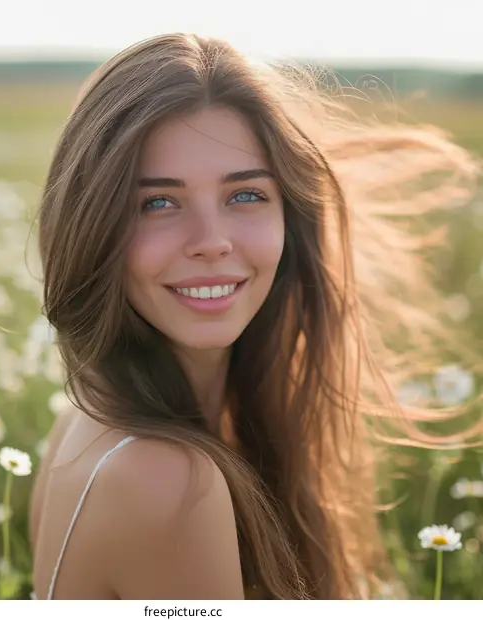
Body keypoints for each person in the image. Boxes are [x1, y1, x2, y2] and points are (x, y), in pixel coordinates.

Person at [28, 32, 481, 600]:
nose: (212, 242)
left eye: (245, 195)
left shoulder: (87, 415)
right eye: (158, 203)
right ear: (91, 228)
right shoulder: (168, 481)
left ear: (290, 216)